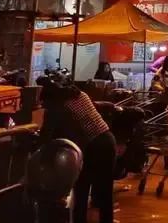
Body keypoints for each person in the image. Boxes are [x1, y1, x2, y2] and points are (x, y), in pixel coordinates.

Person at [37, 77, 116, 223]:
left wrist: (38, 145)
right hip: (107, 139)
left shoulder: (59, 105)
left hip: (92, 146)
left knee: (81, 189)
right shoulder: (79, 94)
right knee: (105, 191)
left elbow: (49, 132)